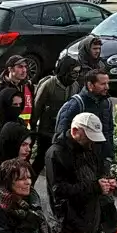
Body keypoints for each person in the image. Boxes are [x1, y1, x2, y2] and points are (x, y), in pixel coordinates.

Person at [30, 54, 78, 182]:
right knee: (40, 160)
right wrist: (33, 128)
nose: (75, 75)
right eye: (72, 72)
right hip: (46, 131)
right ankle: (28, 188)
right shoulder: (48, 85)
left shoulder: (75, 86)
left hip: (63, 132)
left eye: (77, 72)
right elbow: (37, 107)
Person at [55, 68, 114, 162]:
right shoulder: (76, 104)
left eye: (107, 83)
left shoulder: (107, 103)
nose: (107, 87)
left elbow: (109, 131)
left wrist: (109, 156)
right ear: (90, 85)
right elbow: (61, 134)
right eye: (103, 84)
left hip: (99, 159)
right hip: (79, 160)